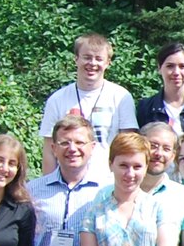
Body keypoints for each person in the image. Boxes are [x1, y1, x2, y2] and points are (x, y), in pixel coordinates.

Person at [25, 115, 103, 246]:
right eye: (64, 143)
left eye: (79, 142)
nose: (72, 149)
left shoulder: (106, 192)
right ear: (53, 148)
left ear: (92, 147)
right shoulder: (31, 191)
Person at [37, 33, 136, 178]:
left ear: (108, 62)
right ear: (76, 59)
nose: (92, 63)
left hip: (107, 182)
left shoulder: (121, 97)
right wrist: (48, 185)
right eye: (87, 57)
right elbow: (49, 150)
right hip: (66, 182)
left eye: (99, 59)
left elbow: (128, 145)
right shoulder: (57, 99)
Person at [133, 40, 184, 132]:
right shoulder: (146, 108)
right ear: (159, 68)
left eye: (182, 66)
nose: (176, 72)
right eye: (170, 66)